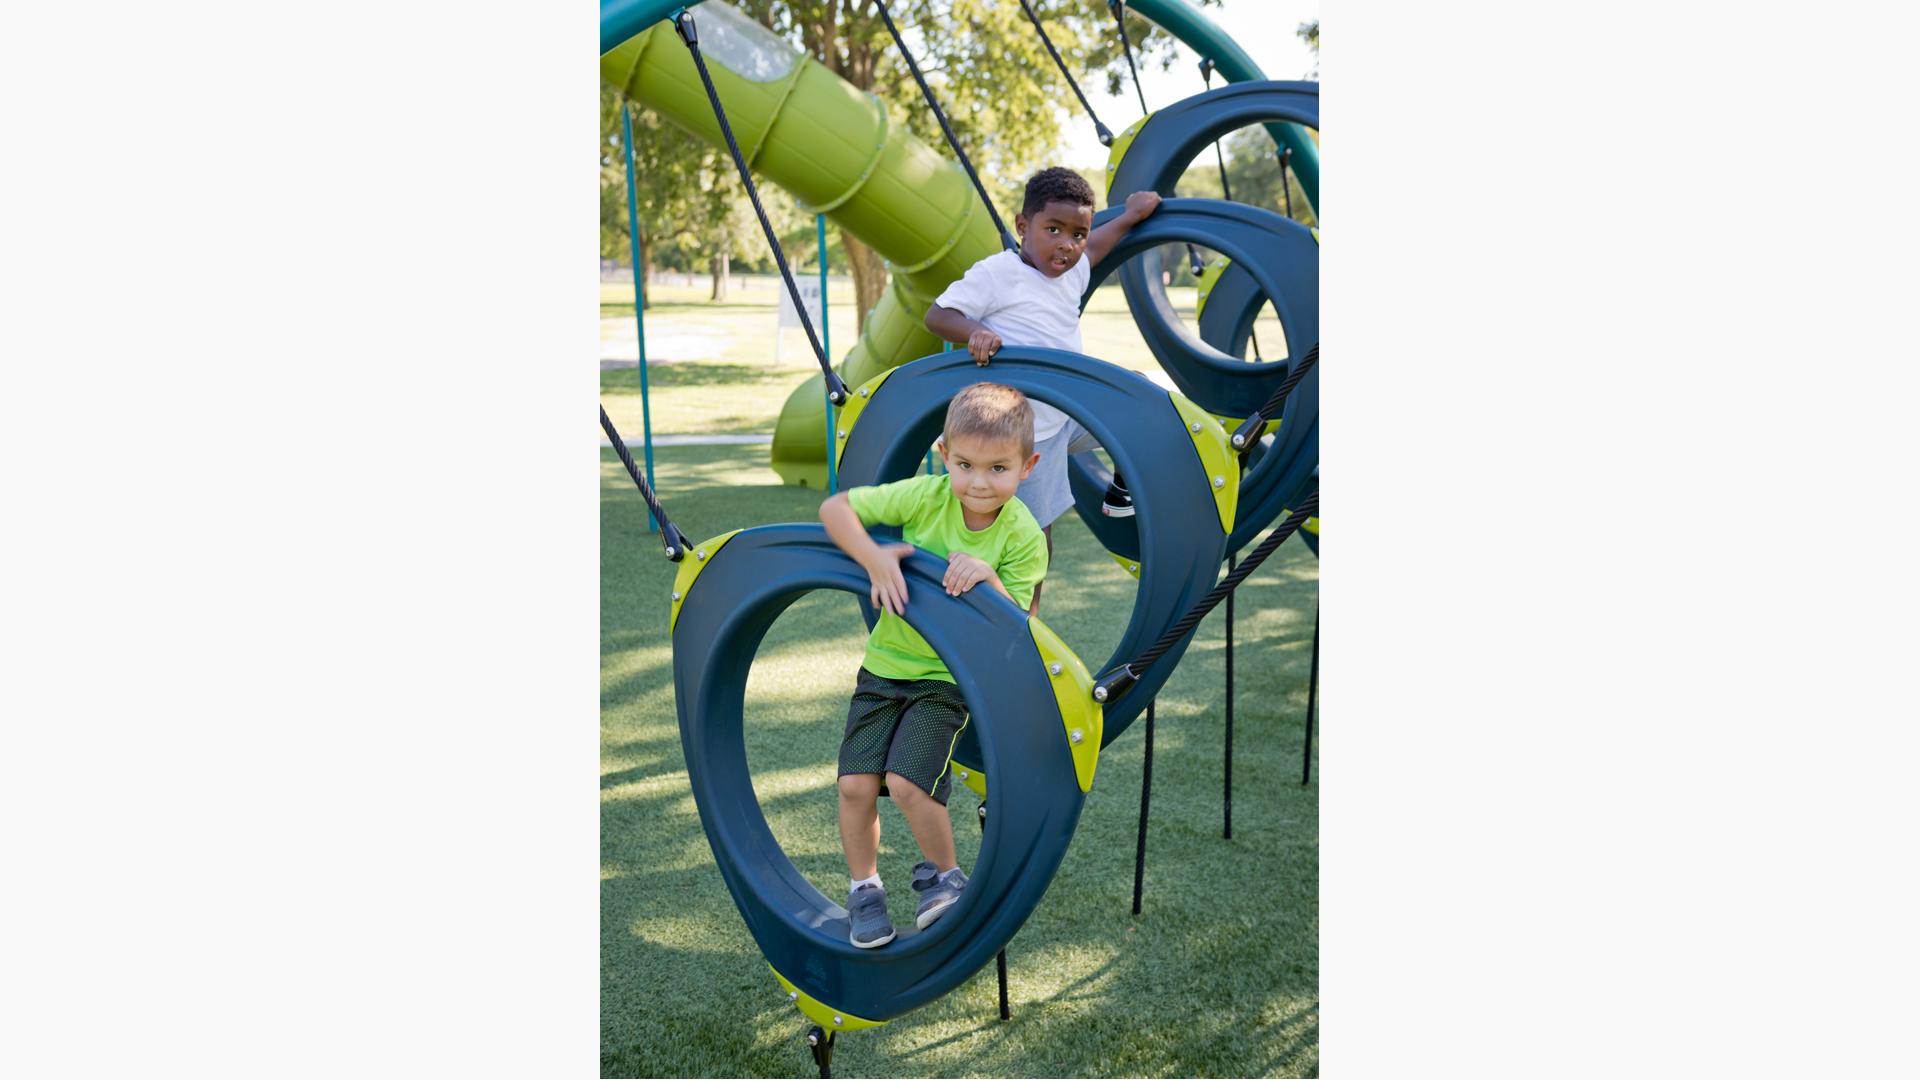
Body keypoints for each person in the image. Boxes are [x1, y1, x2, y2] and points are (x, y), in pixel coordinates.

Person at [817, 382, 1050, 949]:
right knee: (854, 785)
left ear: (1028, 466)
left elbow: (1017, 629)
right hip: (884, 667)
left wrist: (988, 581)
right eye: (964, 464)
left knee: (905, 781)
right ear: (943, 454)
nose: (977, 482)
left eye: (998, 468)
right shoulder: (925, 497)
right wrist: (873, 556)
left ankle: (943, 879)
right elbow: (835, 508)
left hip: (947, 679)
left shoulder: (1022, 536)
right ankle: (864, 889)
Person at [923, 167, 1162, 612]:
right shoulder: (998, 273)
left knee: (1141, 403)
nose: (1066, 244)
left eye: (1076, 233)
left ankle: (1120, 496)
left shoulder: (1073, 270)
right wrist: (974, 330)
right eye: (1052, 230)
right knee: (1035, 535)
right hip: (1023, 433)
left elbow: (1097, 245)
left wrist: (1130, 216)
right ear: (1022, 226)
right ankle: (1024, 616)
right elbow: (938, 315)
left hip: (1067, 414)